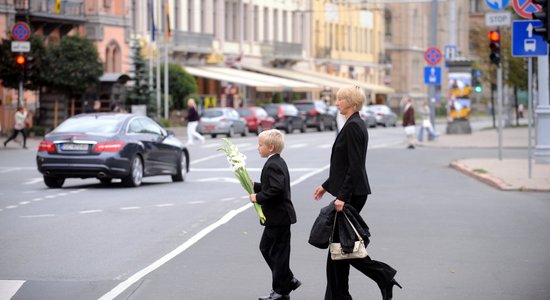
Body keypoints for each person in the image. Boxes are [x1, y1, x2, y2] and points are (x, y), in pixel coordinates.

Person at [313, 85, 401, 300]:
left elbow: (354, 166)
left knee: (342, 247)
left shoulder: (353, 126)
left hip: (351, 193)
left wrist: (342, 196)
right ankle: (339, 295)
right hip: (351, 190)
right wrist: (326, 185)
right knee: (339, 248)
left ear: (351, 102)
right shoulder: (353, 123)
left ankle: (383, 276)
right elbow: (345, 165)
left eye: (340, 99)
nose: (336, 103)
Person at [250, 129, 301, 300]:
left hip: (278, 217)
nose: (258, 148)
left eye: (260, 145)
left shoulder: (273, 164)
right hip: (278, 217)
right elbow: (270, 185)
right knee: (267, 248)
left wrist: (257, 197)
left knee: (277, 252)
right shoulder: (277, 161)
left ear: (270, 147)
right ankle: (287, 280)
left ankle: (281, 290)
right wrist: (254, 185)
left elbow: (276, 189)